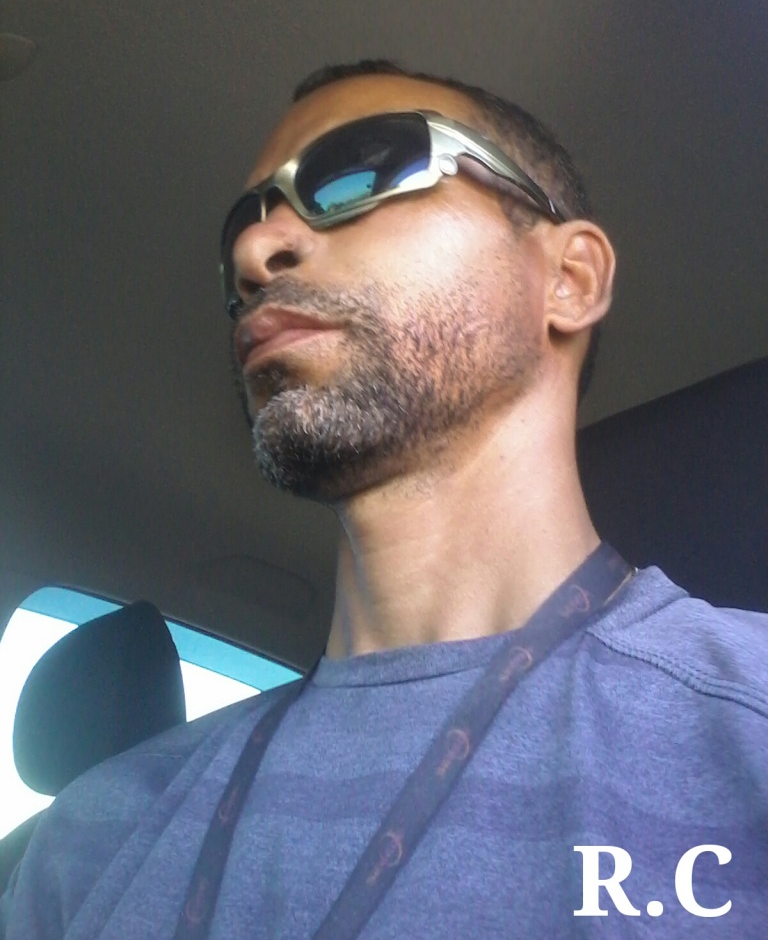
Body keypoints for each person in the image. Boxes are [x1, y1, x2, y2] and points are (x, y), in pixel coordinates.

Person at [2, 60, 767, 939]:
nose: (254, 255)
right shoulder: (85, 847)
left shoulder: (745, 726)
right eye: (241, 228)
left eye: (358, 174)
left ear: (570, 278)